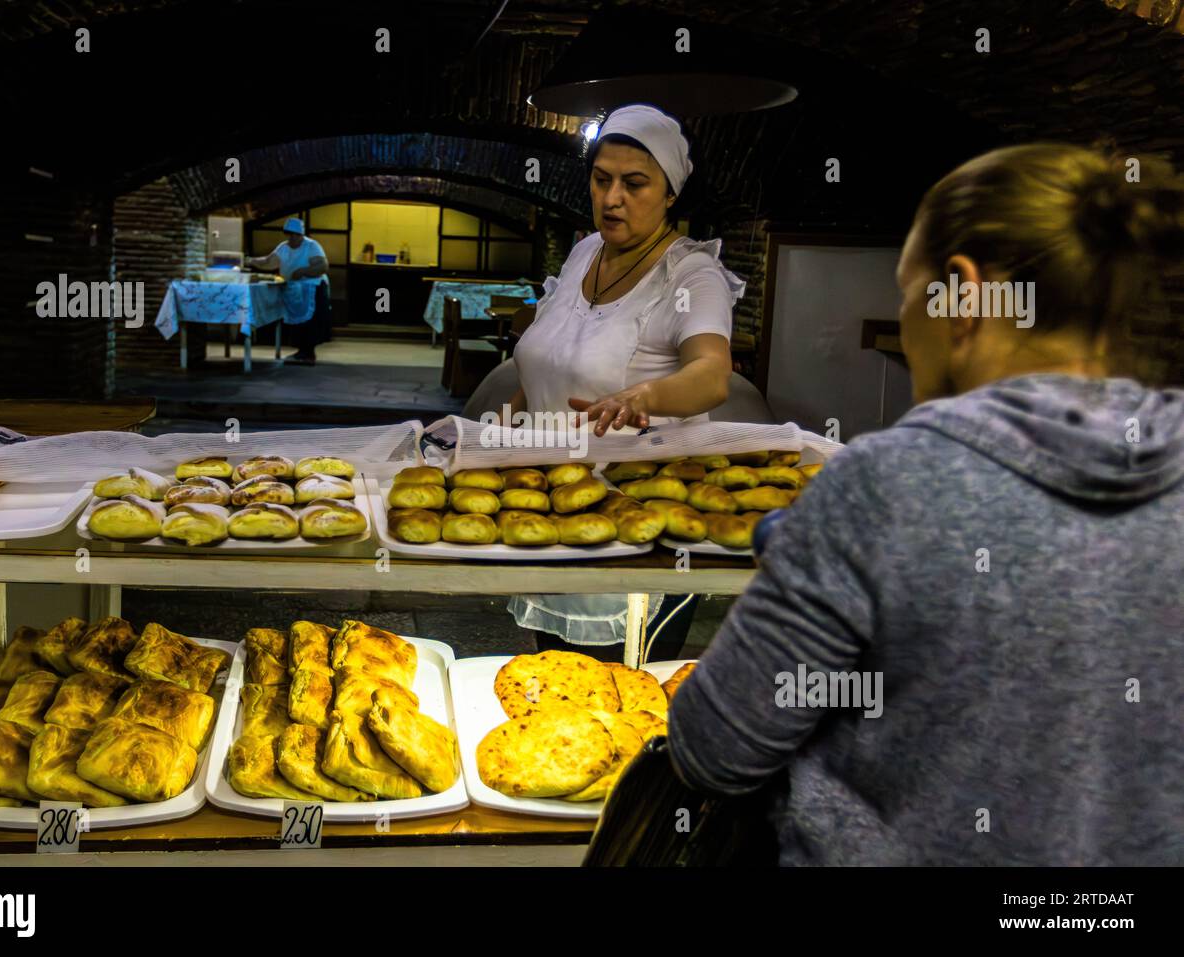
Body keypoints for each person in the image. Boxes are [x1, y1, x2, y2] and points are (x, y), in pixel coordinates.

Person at [667, 143, 1184, 865]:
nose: (907, 321)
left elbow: (714, 748)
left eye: (909, 294)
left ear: (963, 297)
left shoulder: (886, 485)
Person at [507, 103, 747, 662]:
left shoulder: (690, 274)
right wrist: (497, 428)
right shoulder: (584, 252)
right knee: (552, 694)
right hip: (550, 505)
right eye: (601, 179)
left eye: (634, 184)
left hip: (636, 526)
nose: (612, 198)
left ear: (669, 195)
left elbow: (712, 373)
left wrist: (645, 395)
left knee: (620, 701)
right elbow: (549, 360)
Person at [244, 217, 331, 365]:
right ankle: (302, 352)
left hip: (312, 289)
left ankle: (308, 353)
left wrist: (304, 271)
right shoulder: (283, 247)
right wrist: (250, 260)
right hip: (294, 289)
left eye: (294, 235)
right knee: (298, 322)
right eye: (289, 234)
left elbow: (322, 266)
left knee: (310, 322)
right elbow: (268, 262)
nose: (291, 238)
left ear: (301, 235)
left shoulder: (311, 246)